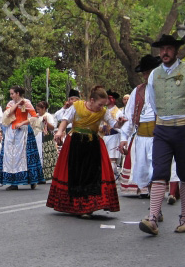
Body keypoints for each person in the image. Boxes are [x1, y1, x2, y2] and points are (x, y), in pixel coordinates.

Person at [139, 34, 185, 236]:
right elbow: (152, 101)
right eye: (162, 49)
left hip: (184, 128)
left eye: (169, 48)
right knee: (159, 170)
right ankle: (153, 218)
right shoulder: (154, 75)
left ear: (176, 51)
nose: (165, 52)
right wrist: (165, 117)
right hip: (162, 128)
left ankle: (184, 219)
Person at [46, 85, 121, 217]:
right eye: (100, 104)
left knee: (91, 175)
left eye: (103, 104)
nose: (101, 107)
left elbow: (114, 124)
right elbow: (65, 120)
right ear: (91, 100)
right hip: (75, 143)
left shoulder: (103, 112)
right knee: (76, 173)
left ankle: (88, 206)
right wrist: (59, 132)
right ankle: (77, 206)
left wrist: (120, 123)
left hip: (93, 145)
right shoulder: (77, 106)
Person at [118, 54, 161, 198]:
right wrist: (124, 137)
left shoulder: (164, 89)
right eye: (144, 73)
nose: (145, 76)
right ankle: (144, 188)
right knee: (142, 164)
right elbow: (129, 116)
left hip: (159, 134)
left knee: (155, 165)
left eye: (148, 72)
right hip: (141, 134)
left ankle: (155, 189)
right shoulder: (137, 91)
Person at [0, 86, 43, 190]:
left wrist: (23, 122)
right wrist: (17, 104)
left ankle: (32, 180)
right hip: (11, 132)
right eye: (11, 94)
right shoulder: (10, 104)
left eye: (12, 93)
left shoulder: (27, 103)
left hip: (24, 131)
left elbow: (35, 116)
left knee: (27, 157)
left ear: (18, 93)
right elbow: (8, 114)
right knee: (10, 156)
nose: (11, 95)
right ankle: (13, 182)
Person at [101, 90, 126, 178]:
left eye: (108, 98)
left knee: (112, 158)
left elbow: (121, 126)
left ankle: (112, 176)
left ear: (112, 99)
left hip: (115, 136)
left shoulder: (118, 111)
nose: (106, 100)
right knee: (105, 158)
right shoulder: (104, 111)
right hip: (105, 136)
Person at [35, 101, 58, 183]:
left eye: (39, 109)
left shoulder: (48, 116)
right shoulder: (37, 116)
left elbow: (52, 127)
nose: (38, 111)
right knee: (38, 155)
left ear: (44, 108)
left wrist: (46, 122)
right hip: (37, 136)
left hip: (46, 137)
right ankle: (39, 175)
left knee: (46, 156)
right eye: (37, 109)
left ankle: (45, 175)